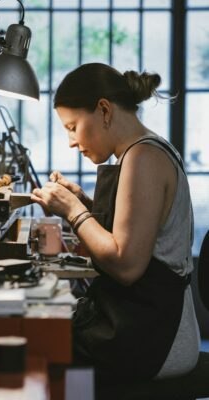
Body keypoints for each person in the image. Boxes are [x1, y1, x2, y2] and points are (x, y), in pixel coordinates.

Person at [30, 63, 200, 388]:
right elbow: (135, 230)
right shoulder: (139, 152)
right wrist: (81, 199)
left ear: (104, 110)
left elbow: (126, 265)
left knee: (40, 351)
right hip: (146, 326)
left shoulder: (143, 158)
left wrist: (73, 211)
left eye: (72, 126)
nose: (70, 141)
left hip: (155, 337)